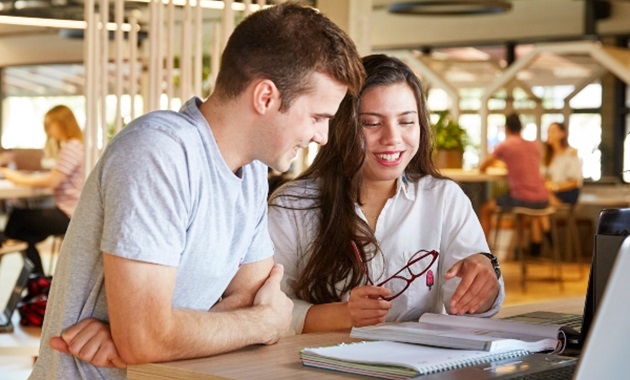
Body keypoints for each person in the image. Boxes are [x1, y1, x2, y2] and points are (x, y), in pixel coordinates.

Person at [30, 3, 364, 378]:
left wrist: (157, 336)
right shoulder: (159, 152)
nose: (321, 136)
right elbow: (259, 316)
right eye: (317, 117)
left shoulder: (251, 172)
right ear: (266, 97)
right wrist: (262, 323)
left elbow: (254, 298)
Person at [269, 54, 504, 335]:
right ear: (342, 127)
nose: (392, 138)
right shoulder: (294, 206)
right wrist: (342, 315)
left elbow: (468, 306)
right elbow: (265, 309)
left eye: (406, 122)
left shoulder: (443, 198)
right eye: (371, 123)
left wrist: (483, 286)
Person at [0, 105, 84, 276]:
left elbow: (52, 181)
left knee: (17, 219)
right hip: (73, 212)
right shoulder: (76, 146)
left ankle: (36, 279)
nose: (47, 130)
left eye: (49, 125)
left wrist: (13, 176)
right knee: (24, 236)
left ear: (61, 123)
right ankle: (38, 281)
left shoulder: (72, 147)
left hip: (70, 215)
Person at [478, 113, 549, 257]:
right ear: (520, 128)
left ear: (506, 129)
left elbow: (482, 167)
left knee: (485, 209)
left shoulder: (505, 145)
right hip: (543, 200)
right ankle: (520, 252)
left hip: (522, 198)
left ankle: (484, 252)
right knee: (520, 215)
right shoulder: (534, 145)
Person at [543, 121, 582, 206]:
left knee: (540, 199)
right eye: (548, 131)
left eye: (552, 131)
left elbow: (575, 182)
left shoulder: (571, 153)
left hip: (567, 192)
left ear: (562, 134)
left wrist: (554, 187)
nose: (549, 134)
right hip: (550, 191)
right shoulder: (548, 155)